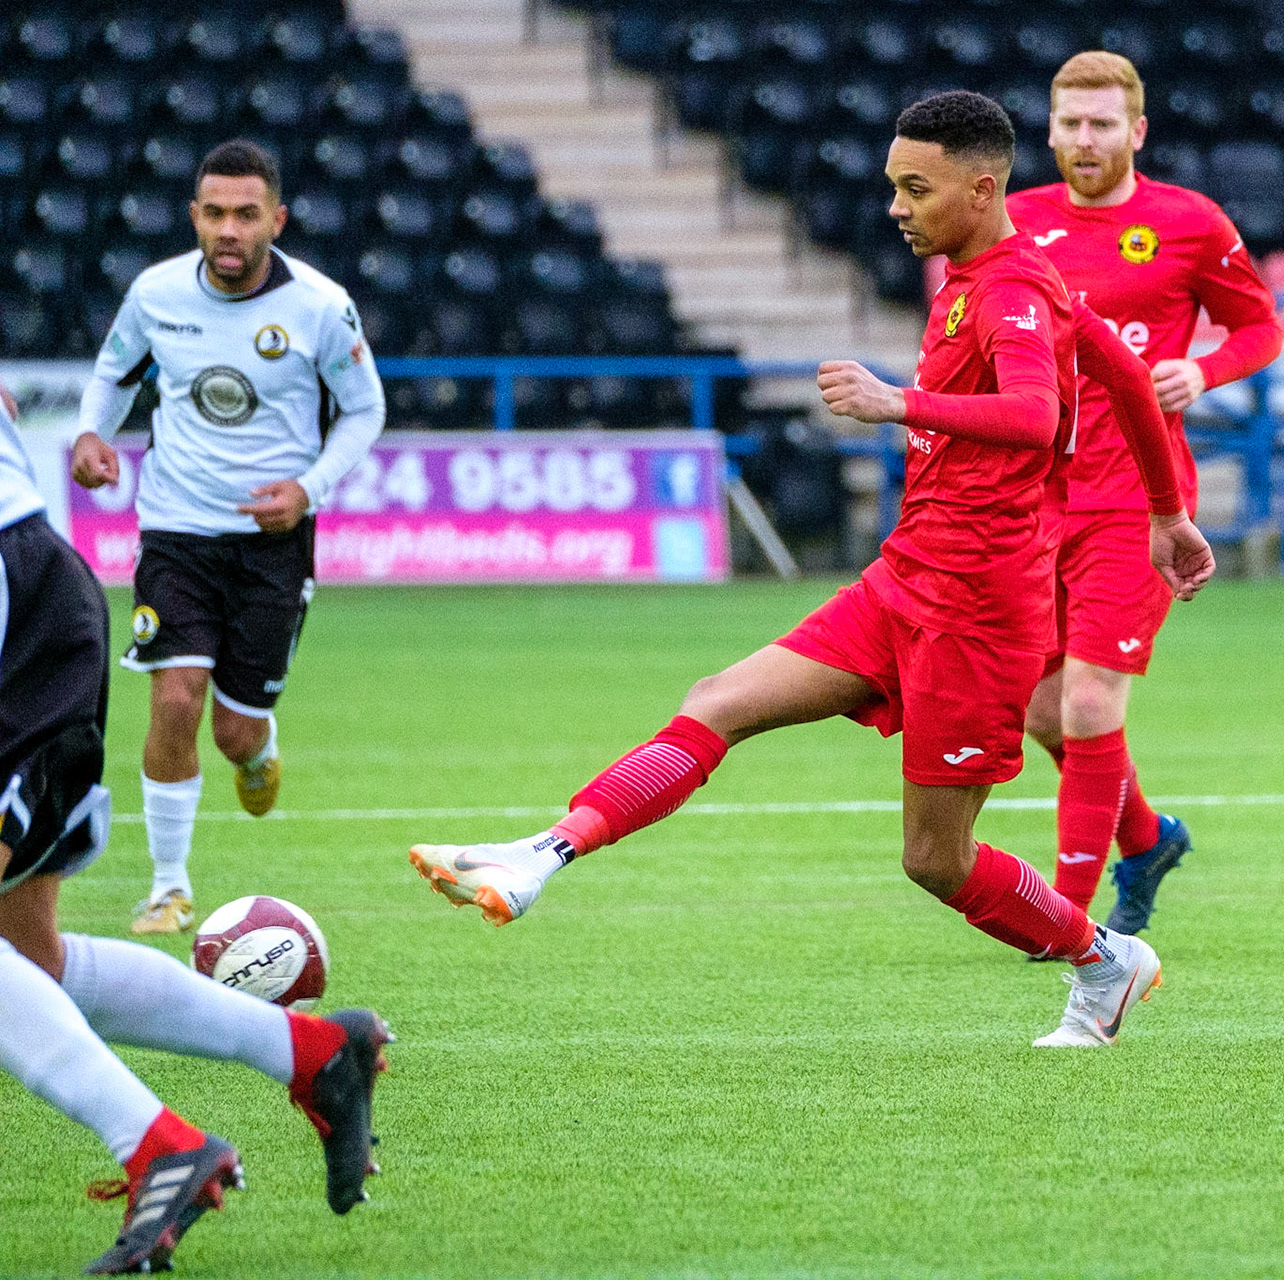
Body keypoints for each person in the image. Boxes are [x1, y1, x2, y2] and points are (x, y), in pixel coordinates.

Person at [408, 91, 1213, 1048]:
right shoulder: (990, 275)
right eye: (893, 187)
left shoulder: (1008, 292)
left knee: (936, 863)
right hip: (905, 580)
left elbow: (1038, 419)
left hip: (980, 618)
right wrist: (1170, 513)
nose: (897, 207)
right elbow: (1123, 377)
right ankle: (540, 854)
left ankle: (1103, 960)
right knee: (718, 700)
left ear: (982, 186)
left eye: (916, 188)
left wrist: (894, 402)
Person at [0, 378, 391, 1275]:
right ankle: (313, 1051)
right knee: (26, 957)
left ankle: (159, 1146)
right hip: (31, 580)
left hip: (12, 595)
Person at [69, 138, 386, 935]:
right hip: (175, 530)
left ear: (276, 219)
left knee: (233, 727)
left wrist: (308, 489)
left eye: (247, 214)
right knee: (174, 698)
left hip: (272, 543)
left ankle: (255, 747)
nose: (229, 230)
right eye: (214, 213)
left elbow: (364, 409)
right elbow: (113, 371)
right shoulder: (156, 293)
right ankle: (169, 887)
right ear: (194, 217)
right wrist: (90, 435)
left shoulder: (318, 306)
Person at [1008, 52, 1282, 934]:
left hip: (1136, 494)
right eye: (1071, 124)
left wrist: (1202, 371)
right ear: (1049, 130)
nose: (1085, 141)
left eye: (1103, 124)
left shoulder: (1189, 223)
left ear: (1138, 131)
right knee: (1040, 708)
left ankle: (1068, 921)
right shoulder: (1011, 224)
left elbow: (1260, 324)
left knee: (1090, 702)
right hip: (1034, 495)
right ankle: (1146, 837)